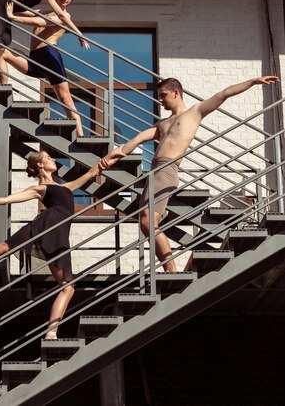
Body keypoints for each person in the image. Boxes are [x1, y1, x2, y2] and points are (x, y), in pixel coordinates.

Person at [0, 150, 113, 339]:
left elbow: (91, 173)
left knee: (68, 287)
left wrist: (111, 157)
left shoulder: (66, 187)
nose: (54, 159)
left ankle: (51, 333)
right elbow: (7, 199)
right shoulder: (39, 189)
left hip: (59, 237)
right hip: (43, 225)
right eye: (49, 158)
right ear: (40, 165)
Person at [101, 75, 279, 273]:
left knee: (148, 221)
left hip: (166, 170)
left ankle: (171, 269)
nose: (160, 100)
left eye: (163, 95)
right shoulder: (162, 124)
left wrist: (254, 81)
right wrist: (115, 155)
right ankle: (169, 268)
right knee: (145, 223)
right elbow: (138, 138)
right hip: (154, 170)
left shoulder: (194, 112)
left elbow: (224, 93)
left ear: (176, 93)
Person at [4, 0, 84, 136]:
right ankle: (0, 88)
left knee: (65, 99)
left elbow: (38, 21)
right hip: (35, 58)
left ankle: (80, 136)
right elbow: (21, 10)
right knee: (4, 52)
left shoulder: (64, 16)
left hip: (49, 56)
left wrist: (12, 17)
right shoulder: (44, 11)